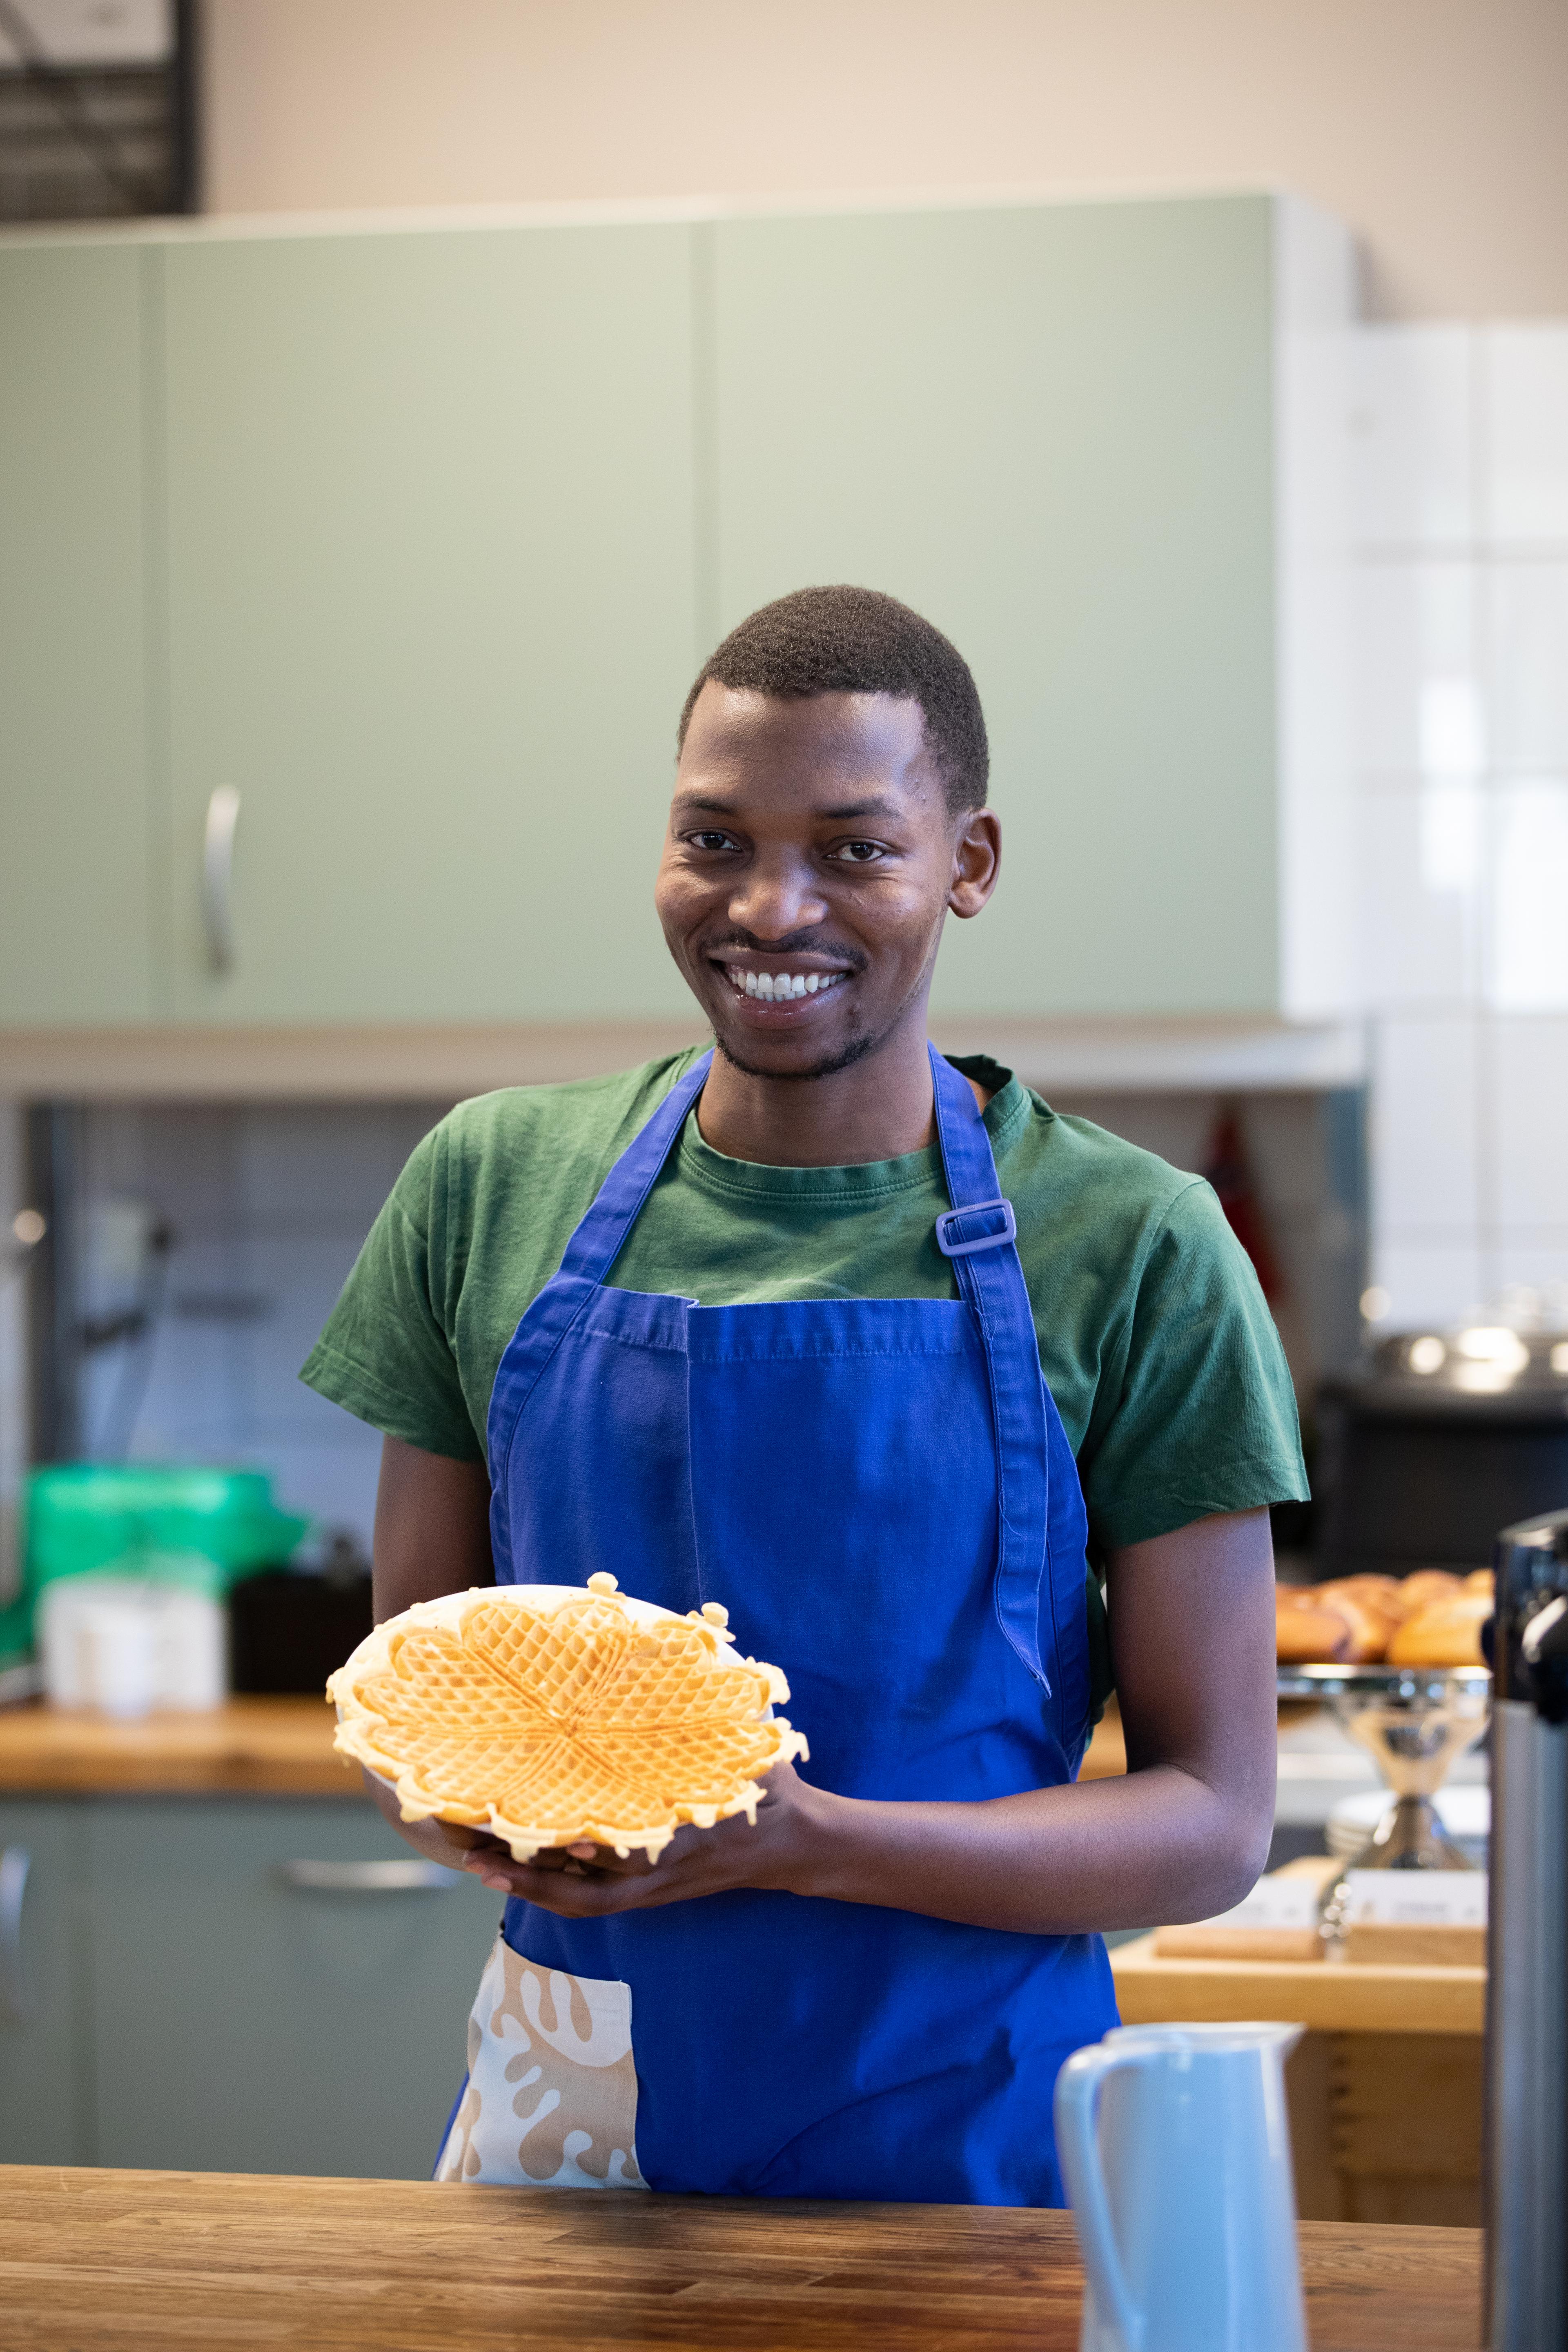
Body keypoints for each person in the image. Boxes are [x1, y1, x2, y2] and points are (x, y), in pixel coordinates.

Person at [302, 584, 1304, 2205]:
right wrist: (478, 1807)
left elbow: (1213, 1823)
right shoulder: (488, 1183)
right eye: (715, 840)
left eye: (855, 849)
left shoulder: (1134, 1242)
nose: (771, 909)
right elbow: (417, 1698)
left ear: (968, 863)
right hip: (577, 2113)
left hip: (966, 2126)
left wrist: (809, 1838)